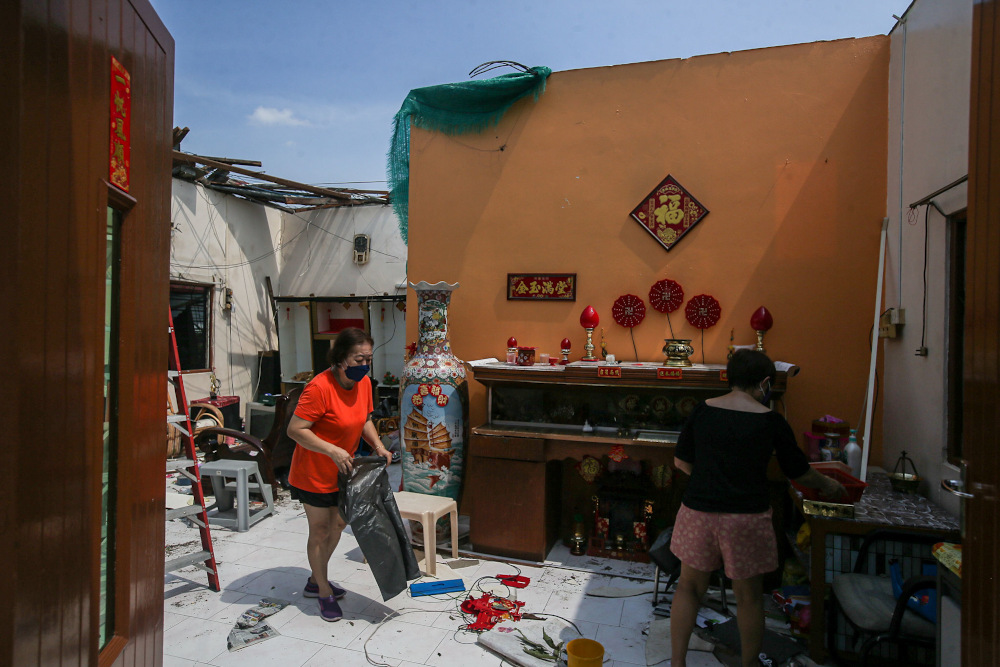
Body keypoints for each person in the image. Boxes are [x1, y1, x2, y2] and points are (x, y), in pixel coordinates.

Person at [669, 349, 846, 667]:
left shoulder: (702, 411)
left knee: (688, 587)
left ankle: (677, 663)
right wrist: (830, 485)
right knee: (748, 597)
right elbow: (798, 471)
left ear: (728, 377)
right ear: (765, 383)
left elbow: (681, 461)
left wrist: (711, 479)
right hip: (746, 517)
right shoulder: (771, 421)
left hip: (698, 512)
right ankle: (749, 664)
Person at [286, 328, 393, 622]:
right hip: (313, 473)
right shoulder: (319, 388)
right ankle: (322, 590)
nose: (364, 365)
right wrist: (332, 450)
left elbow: (365, 419)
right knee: (320, 530)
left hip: (344, 473)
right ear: (341, 357)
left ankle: (314, 578)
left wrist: (379, 445)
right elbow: (295, 430)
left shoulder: (365, 384)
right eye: (359, 358)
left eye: (368, 359)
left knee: (338, 525)